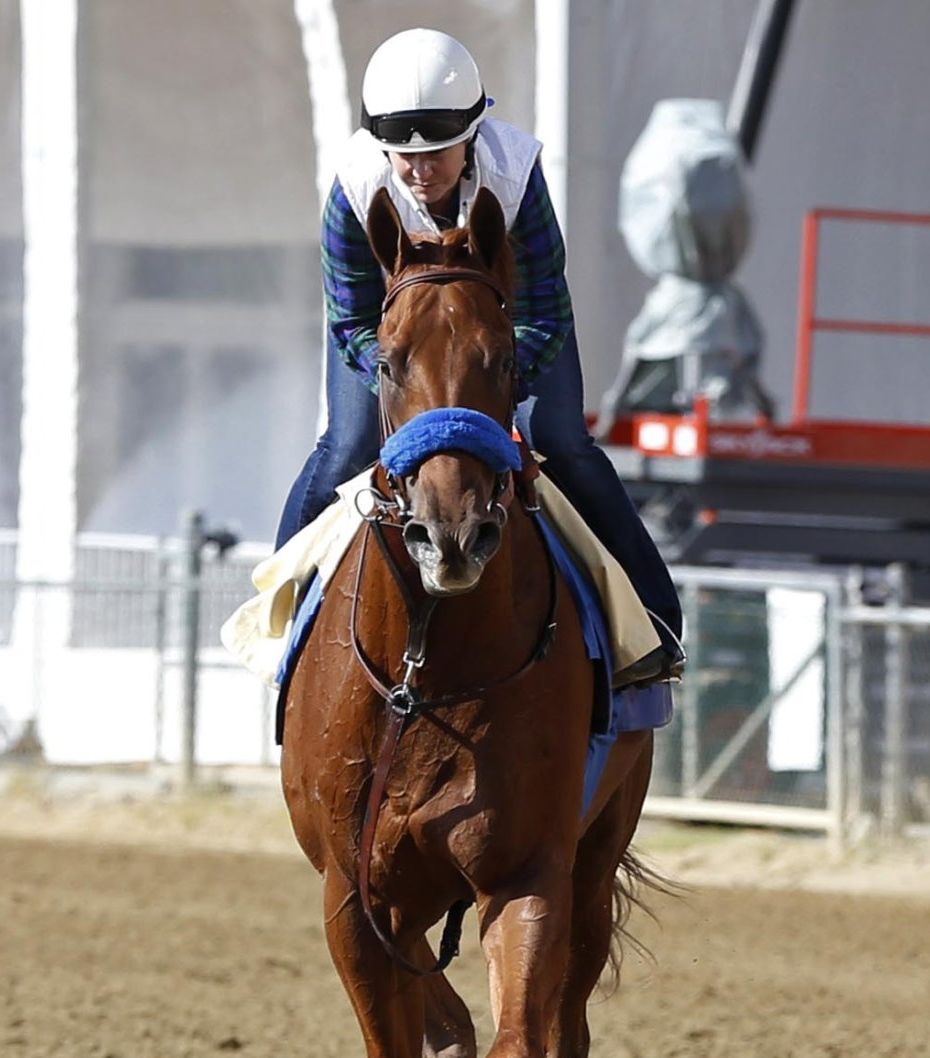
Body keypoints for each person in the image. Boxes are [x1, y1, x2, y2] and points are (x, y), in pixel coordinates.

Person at [278, 27, 683, 683]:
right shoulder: (354, 189)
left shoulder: (517, 174)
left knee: (566, 442)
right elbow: (352, 317)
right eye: (404, 155)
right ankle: (285, 623)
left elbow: (546, 305)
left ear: (472, 132)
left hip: (504, 333)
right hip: (395, 344)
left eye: (436, 152)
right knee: (344, 445)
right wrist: (404, 375)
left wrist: (482, 381)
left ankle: (655, 620)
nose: (419, 169)